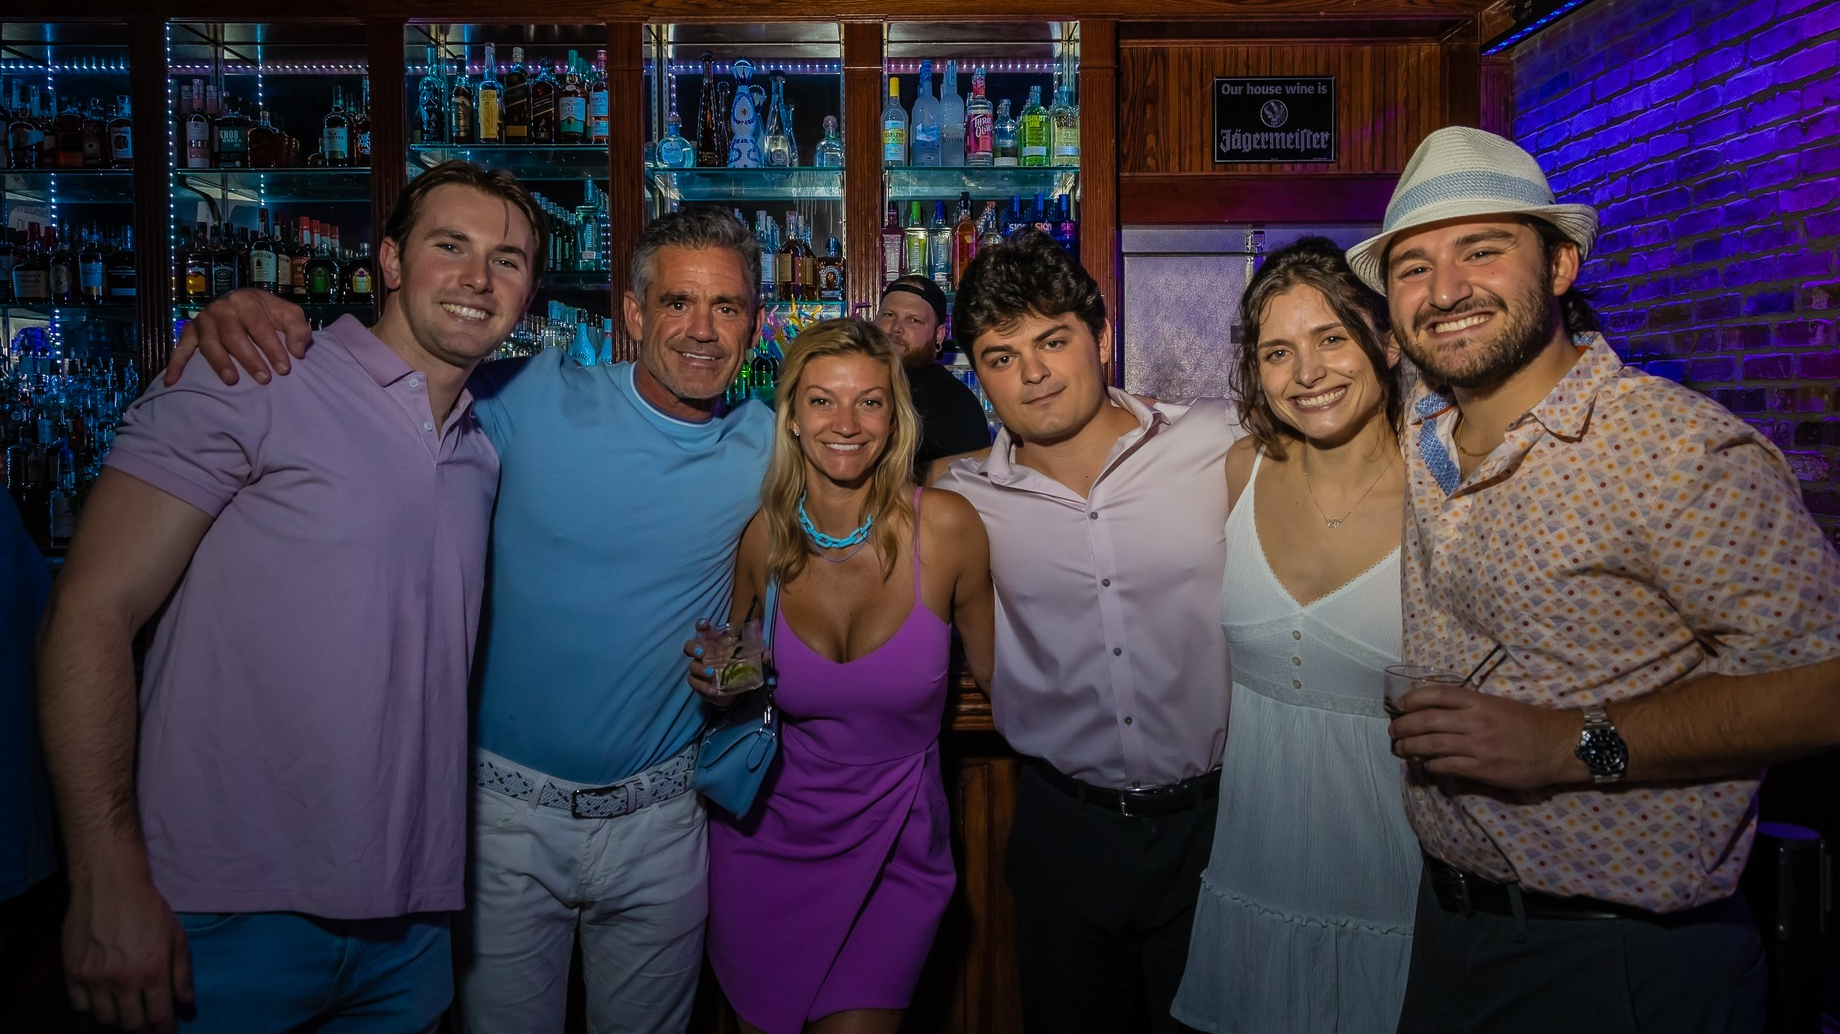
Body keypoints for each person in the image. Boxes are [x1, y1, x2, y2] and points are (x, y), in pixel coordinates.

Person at [164, 202, 774, 1033]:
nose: (702, 330)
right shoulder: (527, 397)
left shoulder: (770, 444)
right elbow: (389, 372)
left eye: (727, 307)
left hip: (663, 823)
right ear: (633, 313)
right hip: (500, 824)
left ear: (754, 322)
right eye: (677, 303)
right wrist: (249, 315)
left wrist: (747, 656)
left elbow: (881, 479)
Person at [1348, 126, 1840, 1032]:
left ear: (1563, 263)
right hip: (1452, 933)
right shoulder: (1425, 430)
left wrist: (1571, 743)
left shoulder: (1674, 449)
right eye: (1412, 267)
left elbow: (1824, 688)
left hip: (1622, 959)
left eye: (1482, 251)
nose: (1445, 290)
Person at [35, 160, 540, 1033]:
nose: (476, 279)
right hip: (222, 913)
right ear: (388, 259)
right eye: (449, 246)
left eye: (507, 259)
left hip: (411, 924)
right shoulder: (255, 374)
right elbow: (89, 613)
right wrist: (103, 873)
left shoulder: (482, 445)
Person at [939, 229, 1239, 1034]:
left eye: (1052, 340)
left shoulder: (1217, 440)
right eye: (1001, 356)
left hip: (1219, 825)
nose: (1032, 372)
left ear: (1100, 337)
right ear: (978, 375)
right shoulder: (957, 495)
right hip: (1063, 830)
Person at [690, 318, 995, 1034]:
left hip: (896, 845)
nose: (847, 423)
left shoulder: (947, 528)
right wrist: (723, 678)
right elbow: (740, 670)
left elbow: (1004, 679)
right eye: (823, 400)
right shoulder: (764, 535)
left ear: (895, 418)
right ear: (792, 417)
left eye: (870, 401)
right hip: (764, 840)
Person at [1169, 238, 1418, 1033]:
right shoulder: (1240, 472)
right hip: (1252, 877)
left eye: (1332, 338)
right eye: (1279, 351)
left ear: (1386, 342)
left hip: (1401, 892)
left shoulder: (1446, 488)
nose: (1306, 373)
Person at [873, 274, 991, 482]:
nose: (896, 328)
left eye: (914, 320)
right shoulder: (857, 388)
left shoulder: (954, 404)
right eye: (889, 315)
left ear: (938, 336)